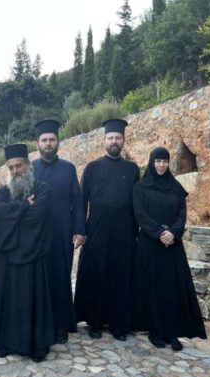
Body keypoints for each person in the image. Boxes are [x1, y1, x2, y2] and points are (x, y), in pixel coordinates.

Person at [131, 147, 207, 351]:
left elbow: (182, 214)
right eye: (158, 161)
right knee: (152, 288)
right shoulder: (140, 188)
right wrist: (159, 233)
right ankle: (155, 331)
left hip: (172, 245)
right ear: (151, 162)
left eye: (165, 161)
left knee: (171, 289)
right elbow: (140, 214)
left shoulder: (175, 188)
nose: (161, 165)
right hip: (150, 244)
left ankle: (172, 333)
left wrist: (173, 233)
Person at [0, 144, 55, 362]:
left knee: (31, 302)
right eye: (11, 167)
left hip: (32, 256)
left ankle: (34, 346)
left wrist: (13, 217)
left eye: (19, 166)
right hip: (6, 260)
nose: (15, 171)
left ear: (28, 165)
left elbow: (37, 217)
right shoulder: (4, 192)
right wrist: (24, 206)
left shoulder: (43, 189)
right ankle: (4, 343)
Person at [74, 118, 140, 341]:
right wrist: (80, 230)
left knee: (120, 276)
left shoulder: (132, 169)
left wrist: (137, 231)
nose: (114, 141)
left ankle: (118, 324)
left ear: (123, 140)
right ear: (104, 141)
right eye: (110, 137)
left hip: (124, 231)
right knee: (96, 274)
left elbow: (137, 202)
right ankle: (94, 322)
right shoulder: (92, 168)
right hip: (97, 229)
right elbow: (82, 201)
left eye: (118, 138)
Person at [32, 119, 85, 344]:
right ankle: (40, 322)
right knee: (39, 278)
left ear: (58, 142)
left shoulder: (68, 168)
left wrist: (79, 230)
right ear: (38, 143)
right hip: (36, 234)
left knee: (61, 277)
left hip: (62, 232)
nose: (48, 144)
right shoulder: (30, 168)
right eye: (44, 140)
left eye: (52, 139)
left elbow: (78, 201)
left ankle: (61, 324)